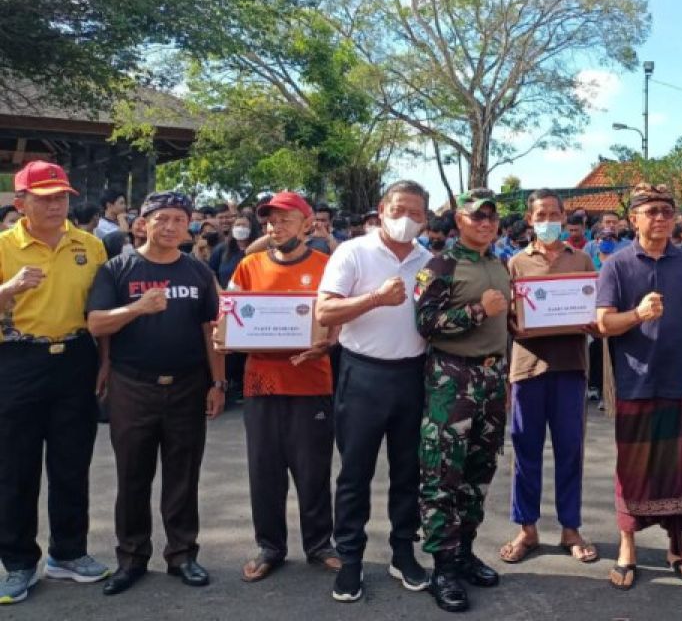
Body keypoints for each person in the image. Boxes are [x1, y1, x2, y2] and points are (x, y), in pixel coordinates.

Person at [85, 192, 224, 595]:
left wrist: (218, 383)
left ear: (188, 226)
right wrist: (137, 308)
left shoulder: (197, 273)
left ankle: (182, 554)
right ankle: (131, 558)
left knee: (183, 474)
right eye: (160, 219)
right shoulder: (117, 269)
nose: (169, 226)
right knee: (132, 475)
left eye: (178, 220)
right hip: (133, 385)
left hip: (187, 385)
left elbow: (210, 332)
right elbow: (96, 324)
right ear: (141, 223)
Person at [316, 180, 433, 602]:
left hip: (412, 375)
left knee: (408, 471)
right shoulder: (353, 252)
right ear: (382, 209)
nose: (407, 219)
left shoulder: (430, 259)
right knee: (354, 473)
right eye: (400, 209)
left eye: (417, 213)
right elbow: (325, 310)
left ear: (426, 218)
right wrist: (374, 299)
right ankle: (349, 559)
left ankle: (403, 552)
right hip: (362, 373)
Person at [0, 161, 111, 604]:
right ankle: (18, 562)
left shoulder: (90, 245)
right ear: (20, 201)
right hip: (16, 359)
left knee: (71, 462)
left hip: (77, 359)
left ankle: (68, 553)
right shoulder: (5, 245)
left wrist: (104, 362)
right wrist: (7, 288)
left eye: (61, 196)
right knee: (15, 468)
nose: (55, 204)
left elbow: (99, 311)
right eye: (44, 197)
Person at [596, 183, 682, 591]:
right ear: (634, 218)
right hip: (634, 380)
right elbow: (603, 324)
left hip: (680, 383)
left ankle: (677, 547)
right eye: (651, 211)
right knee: (632, 471)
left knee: (678, 471)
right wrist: (637, 314)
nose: (660, 218)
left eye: (667, 211)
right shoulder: (617, 264)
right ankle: (626, 545)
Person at [224, 191, 340, 583]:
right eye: (270, 221)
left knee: (313, 470)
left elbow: (338, 322)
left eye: (285, 220)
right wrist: (223, 337)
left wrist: (329, 342)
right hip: (261, 383)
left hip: (312, 382)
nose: (275, 227)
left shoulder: (329, 266)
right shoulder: (249, 265)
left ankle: (320, 543)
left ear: (308, 224)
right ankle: (269, 546)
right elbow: (229, 316)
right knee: (264, 470)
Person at [414, 188, 511, 613]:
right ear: (459, 221)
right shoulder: (441, 265)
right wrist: (477, 312)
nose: (486, 223)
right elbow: (425, 323)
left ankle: (465, 551)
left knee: (479, 470)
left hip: (492, 376)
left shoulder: (499, 263)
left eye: (492, 217)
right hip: (452, 378)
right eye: (478, 217)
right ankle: (443, 567)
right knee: (442, 474)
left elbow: (509, 319)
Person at [499, 189, 599, 568]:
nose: (548, 220)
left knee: (570, 451)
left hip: (571, 367)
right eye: (541, 213)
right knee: (526, 451)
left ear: (564, 217)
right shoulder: (516, 264)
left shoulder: (583, 259)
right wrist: (517, 323)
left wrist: (592, 321)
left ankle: (570, 528)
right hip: (528, 368)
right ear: (530, 220)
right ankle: (527, 528)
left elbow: (594, 312)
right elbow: (510, 319)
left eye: (555, 213)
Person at [209, 214, 259, 290]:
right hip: (226, 297)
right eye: (237, 225)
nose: (240, 228)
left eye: (244, 225)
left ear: (251, 229)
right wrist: (219, 290)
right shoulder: (221, 249)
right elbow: (211, 272)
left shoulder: (258, 250)